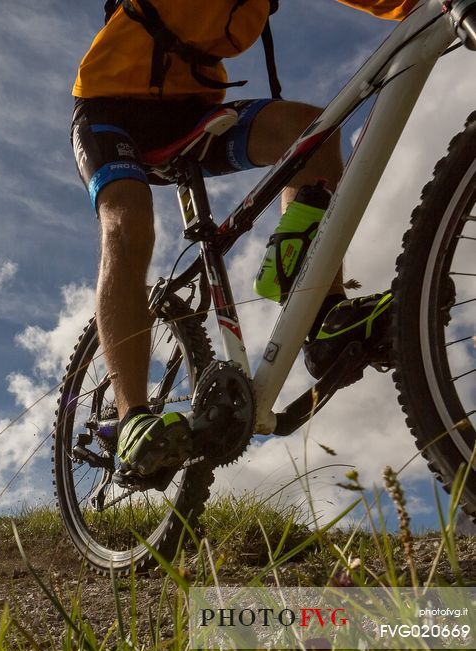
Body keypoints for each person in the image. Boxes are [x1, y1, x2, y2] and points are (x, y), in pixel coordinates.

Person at [71, 0, 414, 478]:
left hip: (191, 115)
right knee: (127, 222)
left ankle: (324, 312)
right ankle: (131, 417)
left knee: (311, 131)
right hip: (110, 108)